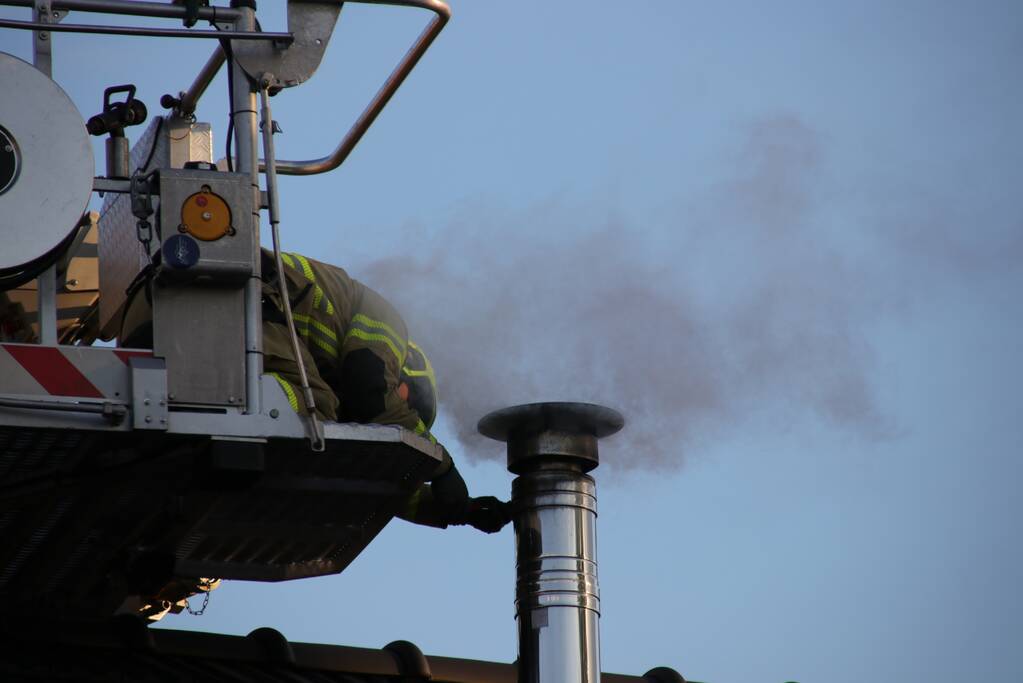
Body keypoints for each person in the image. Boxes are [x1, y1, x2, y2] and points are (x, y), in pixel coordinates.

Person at [120, 249, 510, 534]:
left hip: (152, 313)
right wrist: (440, 464)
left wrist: (452, 510)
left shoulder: (329, 375)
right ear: (407, 376)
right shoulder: (389, 326)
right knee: (310, 421)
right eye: (406, 413)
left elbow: (360, 467)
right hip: (228, 295)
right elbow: (369, 390)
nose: (400, 424)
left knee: (325, 440)